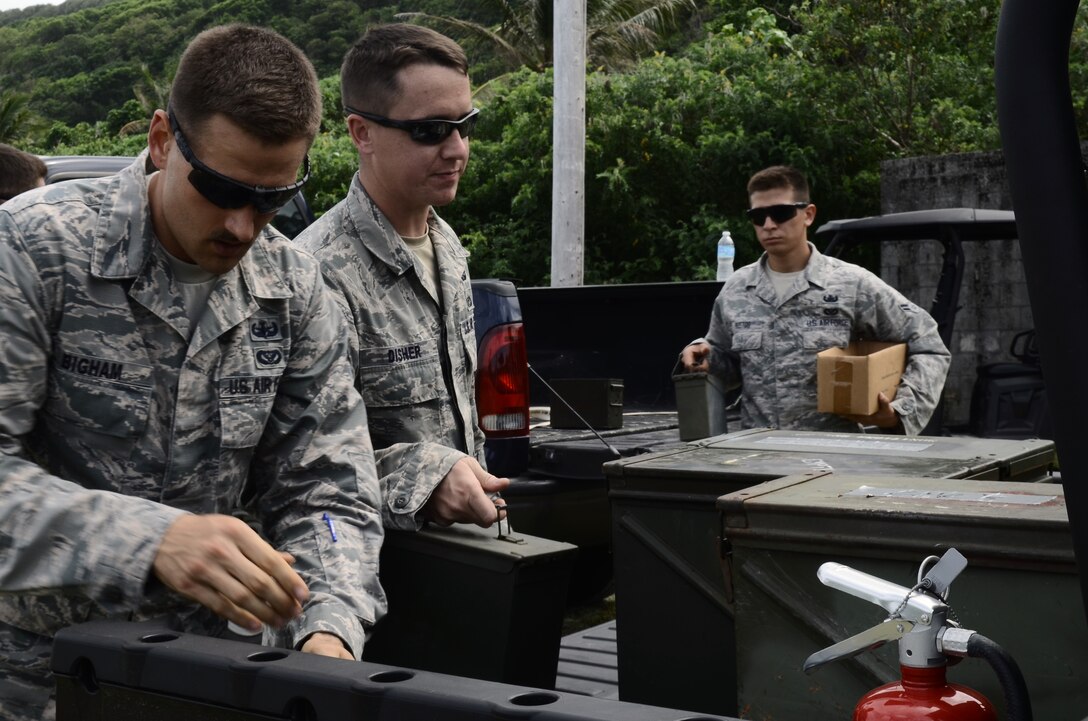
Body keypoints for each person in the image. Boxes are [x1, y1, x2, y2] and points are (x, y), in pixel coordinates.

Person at [0, 24, 386, 720]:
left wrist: (329, 624)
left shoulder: (294, 289)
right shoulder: (34, 247)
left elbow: (330, 492)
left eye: (271, 199)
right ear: (161, 140)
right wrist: (149, 538)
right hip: (38, 682)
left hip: (210, 680)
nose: (242, 226)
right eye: (219, 187)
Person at [295, 24, 508, 531]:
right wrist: (427, 479)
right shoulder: (315, 274)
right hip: (369, 576)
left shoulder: (446, 244)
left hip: (463, 554)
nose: (457, 149)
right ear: (361, 133)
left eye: (465, 125)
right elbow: (303, 464)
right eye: (430, 130)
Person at [681, 165, 950, 435]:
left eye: (781, 213)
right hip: (758, 454)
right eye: (758, 216)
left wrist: (901, 409)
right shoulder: (738, 289)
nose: (769, 225)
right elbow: (728, 363)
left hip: (833, 457)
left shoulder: (851, 284)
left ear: (808, 214)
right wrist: (705, 356)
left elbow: (927, 343)